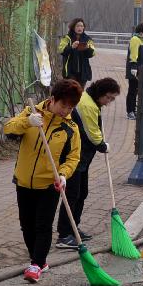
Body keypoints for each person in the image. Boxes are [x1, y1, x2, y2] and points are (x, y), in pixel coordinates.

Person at [5, 79, 82, 283]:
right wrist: (27, 122)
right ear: (52, 99)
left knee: (43, 225)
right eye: (63, 105)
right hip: (23, 180)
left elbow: (73, 157)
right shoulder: (32, 113)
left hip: (49, 183)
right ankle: (37, 260)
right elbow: (8, 129)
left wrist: (64, 174)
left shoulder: (70, 129)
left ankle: (37, 264)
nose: (66, 110)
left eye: (70, 107)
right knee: (26, 225)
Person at [55, 78, 120, 250]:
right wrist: (103, 145)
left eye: (112, 99)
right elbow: (92, 135)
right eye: (109, 98)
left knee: (82, 192)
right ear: (101, 93)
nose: (109, 102)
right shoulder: (88, 105)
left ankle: (74, 228)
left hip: (82, 156)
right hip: (75, 155)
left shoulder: (91, 101)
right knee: (73, 194)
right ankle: (64, 234)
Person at [58, 18, 95, 86]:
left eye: (81, 26)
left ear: (84, 27)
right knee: (71, 91)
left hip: (83, 72)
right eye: (77, 26)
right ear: (73, 27)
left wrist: (87, 48)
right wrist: (71, 47)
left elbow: (92, 54)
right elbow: (61, 50)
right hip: (70, 71)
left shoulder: (88, 39)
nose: (80, 28)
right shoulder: (66, 38)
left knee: (80, 93)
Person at [125, 23, 143, 120]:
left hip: (140, 69)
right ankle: (130, 111)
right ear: (142, 31)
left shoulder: (142, 40)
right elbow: (133, 54)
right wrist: (134, 67)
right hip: (135, 69)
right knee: (132, 91)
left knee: (136, 90)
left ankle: (134, 110)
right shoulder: (135, 39)